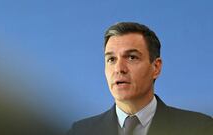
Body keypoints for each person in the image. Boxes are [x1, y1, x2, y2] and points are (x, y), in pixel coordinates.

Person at [67, 22, 213, 135]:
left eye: (132, 57)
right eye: (111, 59)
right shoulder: (80, 131)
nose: (119, 68)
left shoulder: (200, 128)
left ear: (156, 67)